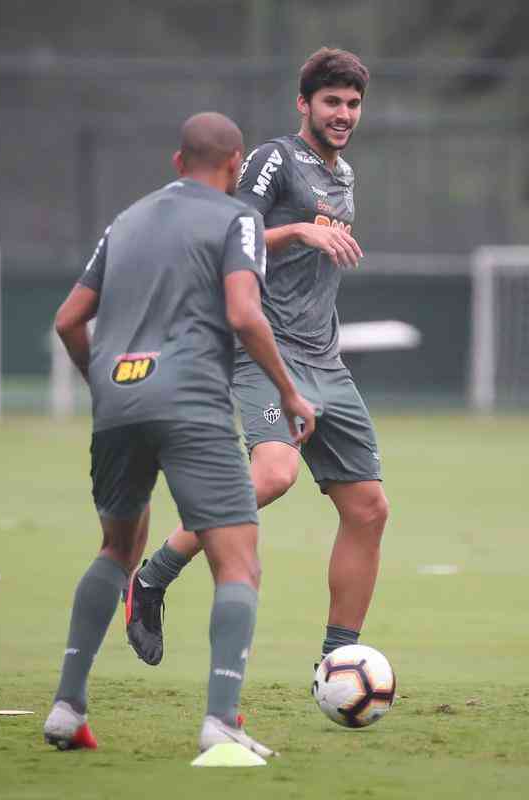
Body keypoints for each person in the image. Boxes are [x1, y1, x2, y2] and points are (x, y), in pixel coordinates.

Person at [42, 112, 316, 756]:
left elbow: (68, 320)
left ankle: (66, 706)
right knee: (238, 560)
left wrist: (102, 384)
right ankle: (221, 723)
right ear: (235, 165)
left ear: (176, 162)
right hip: (190, 399)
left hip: (117, 398)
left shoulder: (126, 220)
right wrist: (288, 390)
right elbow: (245, 313)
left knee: (117, 548)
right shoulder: (238, 218)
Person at [125, 48, 389, 671]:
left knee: (368, 509)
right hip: (264, 349)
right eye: (332, 102)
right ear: (305, 104)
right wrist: (297, 231)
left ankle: (339, 662)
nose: (343, 114)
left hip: (326, 359)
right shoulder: (276, 159)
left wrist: (315, 239)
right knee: (273, 474)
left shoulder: (344, 175)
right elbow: (225, 232)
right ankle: (153, 577)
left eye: (353, 104)